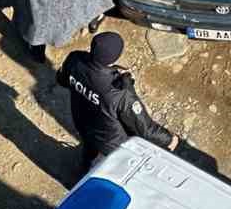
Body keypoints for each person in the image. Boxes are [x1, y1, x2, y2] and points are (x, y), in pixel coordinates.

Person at [57, 31, 178, 172]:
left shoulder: (75, 59)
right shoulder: (120, 92)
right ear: (115, 57)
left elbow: (61, 80)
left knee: (89, 149)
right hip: (111, 142)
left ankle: (85, 168)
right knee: (115, 170)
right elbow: (144, 129)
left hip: (82, 124)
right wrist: (169, 139)